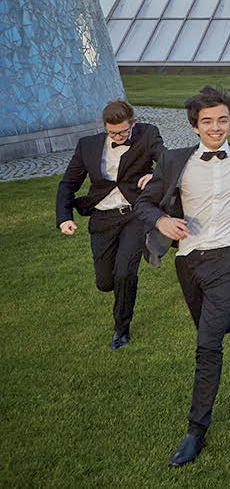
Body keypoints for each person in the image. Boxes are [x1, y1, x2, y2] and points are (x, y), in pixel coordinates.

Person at [136, 86, 230, 467]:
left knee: (207, 345)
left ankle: (195, 430)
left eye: (222, 120)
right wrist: (162, 219)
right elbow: (143, 202)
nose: (216, 127)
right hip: (188, 259)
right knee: (211, 324)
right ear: (195, 126)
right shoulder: (174, 161)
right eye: (207, 121)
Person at [56, 99, 164, 349]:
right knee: (106, 282)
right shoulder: (88, 146)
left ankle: (121, 327)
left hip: (135, 215)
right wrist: (64, 217)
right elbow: (68, 183)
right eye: (112, 132)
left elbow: (167, 160)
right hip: (102, 217)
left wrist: (155, 175)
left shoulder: (147, 135)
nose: (117, 136)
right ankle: (119, 289)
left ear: (133, 124)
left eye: (123, 132)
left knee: (125, 273)